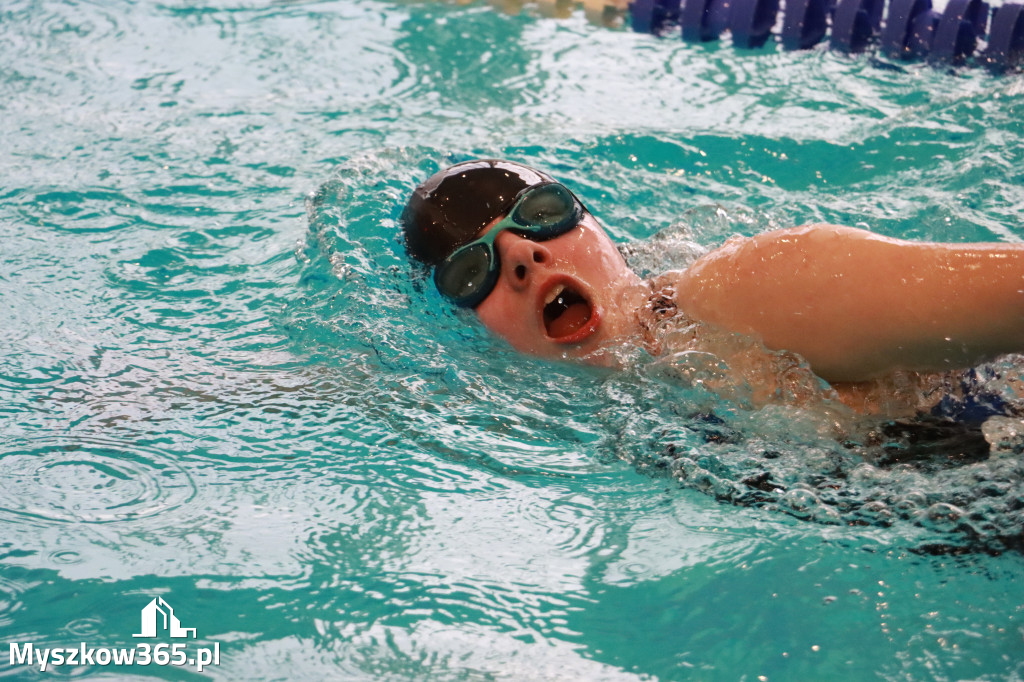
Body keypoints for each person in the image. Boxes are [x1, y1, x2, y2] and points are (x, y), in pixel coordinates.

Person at [400, 159, 1024, 417]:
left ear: (603, 230)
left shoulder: (740, 295)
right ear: (463, 326)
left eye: (541, 213)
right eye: (471, 270)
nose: (522, 254)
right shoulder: (618, 406)